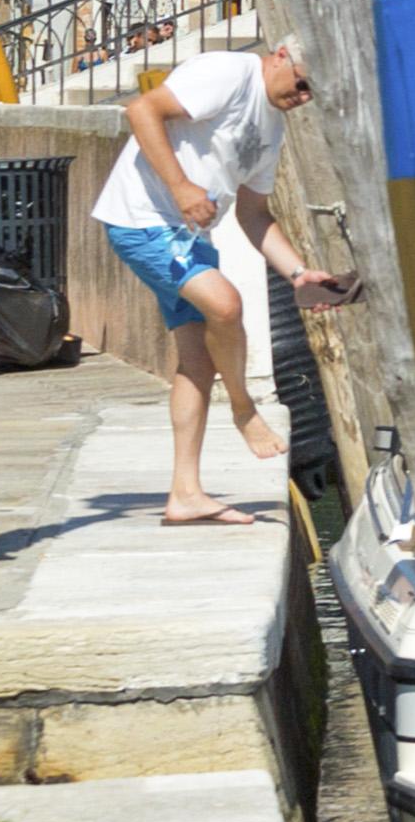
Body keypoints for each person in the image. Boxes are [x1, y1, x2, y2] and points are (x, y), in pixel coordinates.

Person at [92, 36, 352, 528]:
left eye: (310, 93)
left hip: (191, 235)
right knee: (227, 305)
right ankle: (243, 409)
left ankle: (185, 493)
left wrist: (298, 274)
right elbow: (141, 110)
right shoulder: (226, 73)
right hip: (142, 218)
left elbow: (254, 214)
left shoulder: (273, 128)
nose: (302, 98)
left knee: (197, 362)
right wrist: (181, 187)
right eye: (300, 84)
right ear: (280, 56)